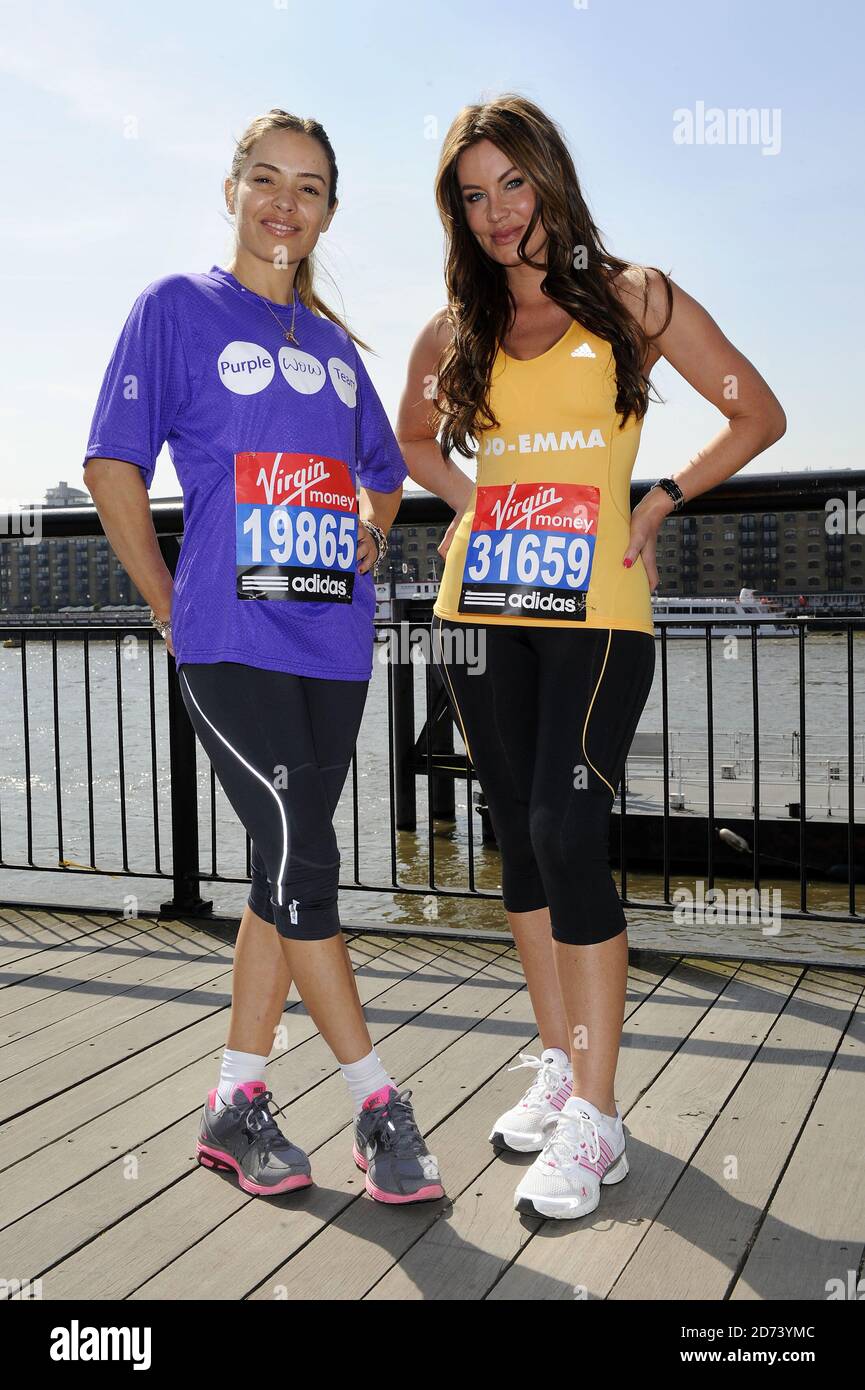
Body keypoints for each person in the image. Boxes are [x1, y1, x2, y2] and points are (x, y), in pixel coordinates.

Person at [396, 94, 786, 1221]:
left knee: (571, 826)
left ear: (550, 179)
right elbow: (414, 438)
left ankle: (602, 1121)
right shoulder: (451, 332)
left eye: (511, 184)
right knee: (516, 828)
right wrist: (477, 503)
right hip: (481, 604)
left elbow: (750, 410)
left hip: (600, 608)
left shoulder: (632, 297)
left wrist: (657, 500)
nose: (495, 213)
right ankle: (563, 1064)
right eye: (471, 196)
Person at [83, 109, 443, 1206]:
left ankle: (236, 1102)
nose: (287, 204)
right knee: (304, 858)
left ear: (330, 211)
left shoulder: (335, 348)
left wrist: (372, 530)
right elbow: (112, 464)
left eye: (312, 188)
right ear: (232, 190)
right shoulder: (175, 310)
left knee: (279, 871)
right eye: (267, 180)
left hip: (332, 646)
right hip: (229, 640)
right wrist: (165, 601)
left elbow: (384, 470)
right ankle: (379, 1102)